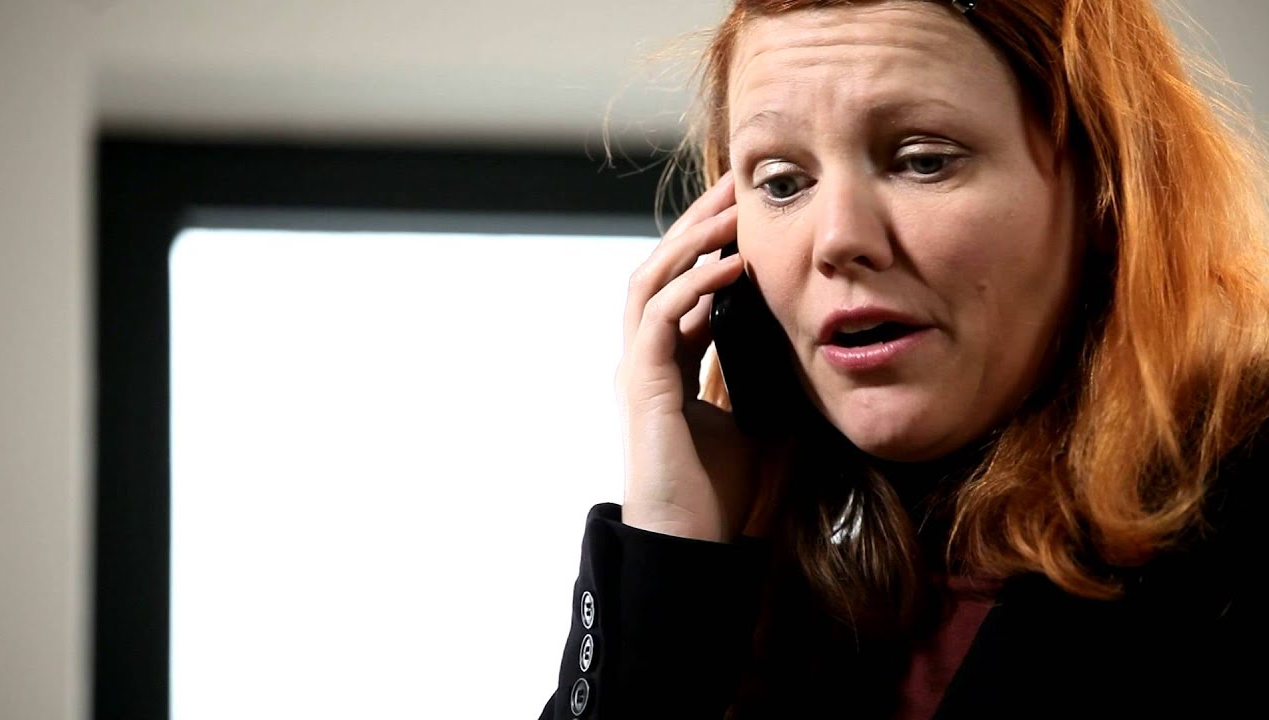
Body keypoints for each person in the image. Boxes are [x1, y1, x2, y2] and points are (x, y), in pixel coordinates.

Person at [543, 0, 1269, 717]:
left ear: (1106, 193)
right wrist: (669, 557)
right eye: (783, 183)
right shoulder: (795, 582)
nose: (838, 240)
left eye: (923, 161)